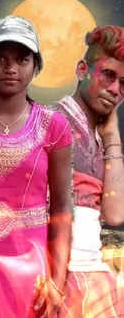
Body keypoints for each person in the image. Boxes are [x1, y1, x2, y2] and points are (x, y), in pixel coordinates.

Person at [0, 15, 72, 318]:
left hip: (32, 268)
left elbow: (63, 207)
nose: (10, 67)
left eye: (22, 59)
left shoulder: (54, 126)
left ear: (35, 66)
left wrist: (57, 280)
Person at [51, 25, 124, 317]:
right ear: (83, 69)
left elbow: (115, 215)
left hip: (94, 279)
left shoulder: (101, 139)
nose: (116, 90)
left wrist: (113, 137)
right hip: (54, 279)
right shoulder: (49, 120)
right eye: (108, 75)